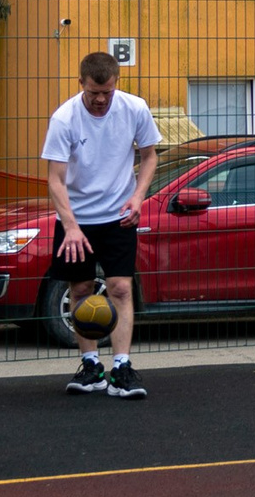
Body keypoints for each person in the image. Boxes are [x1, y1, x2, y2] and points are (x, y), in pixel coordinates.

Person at [41, 51, 163, 398]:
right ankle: (91, 366)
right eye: (94, 92)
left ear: (116, 84)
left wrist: (138, 197)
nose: (100, 99)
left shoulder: (134, 108)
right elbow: (55, 179)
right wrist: (71, 226)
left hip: (117, 216)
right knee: (80, 290)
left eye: (107, 92)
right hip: (76, 218)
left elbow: (150, 156)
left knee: (120, 288)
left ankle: (121, 367)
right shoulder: (64, 118)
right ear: (81, 83)